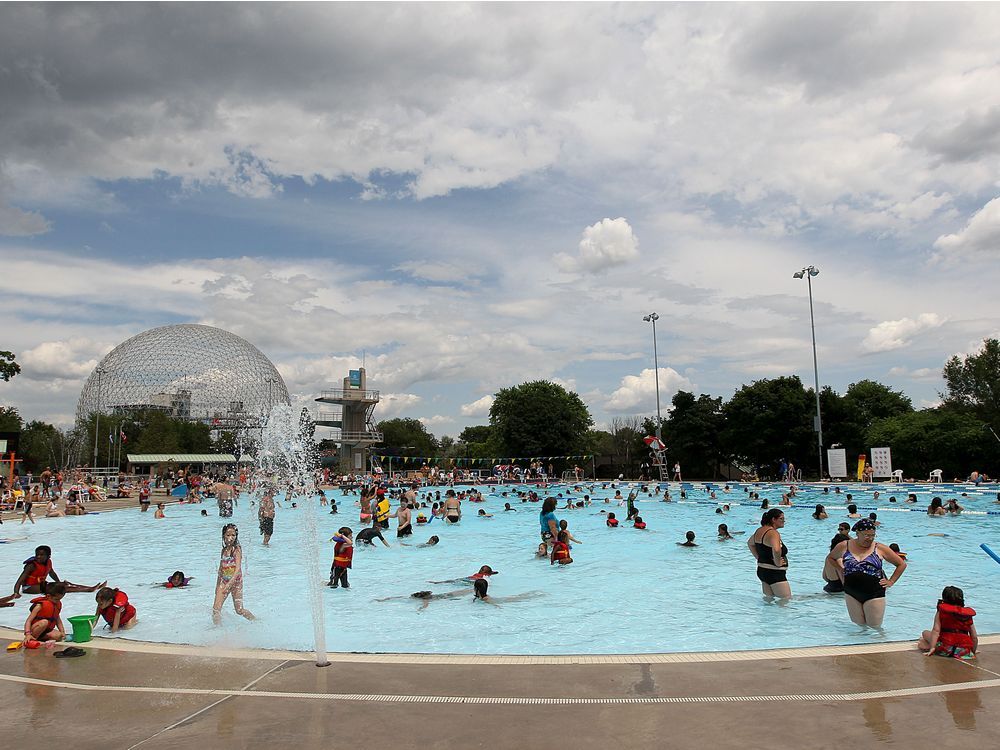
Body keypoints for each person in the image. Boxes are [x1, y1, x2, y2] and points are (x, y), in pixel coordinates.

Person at [826, 519, 906, 627]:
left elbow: (901, 564)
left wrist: (891, 581)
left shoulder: (880, 548)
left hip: (874, 593)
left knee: (875, 628)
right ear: (857, 533)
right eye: (867, 535)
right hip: (851, 592)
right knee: (859, 627)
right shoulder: (844, 546)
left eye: (873, 535)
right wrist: (840, 569)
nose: (870, 538)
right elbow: (830, 558)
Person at [12, 545, 105, 598]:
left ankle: (92, 587)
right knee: (59, 589)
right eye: (37, 555)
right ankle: (88, 590)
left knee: (65, 584)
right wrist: (16, 593)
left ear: (48, 556)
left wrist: (59, 582)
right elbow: (20, 580)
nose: (38, 557)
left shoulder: (48, 562)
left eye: (41, 555)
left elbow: (51, 573)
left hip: (41, 585)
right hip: (29, 588)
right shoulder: (31, 565)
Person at [918, 586, 977, 659]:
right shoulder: (967, 615)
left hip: (946, 649)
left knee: (925, 633)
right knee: (925, 641)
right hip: (963, 651)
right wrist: (972, 651)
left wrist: (932, 648)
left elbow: (936, 631)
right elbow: (974, 637)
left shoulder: (942, 611)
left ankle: (928, 646)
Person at [212, 524, 255, 624]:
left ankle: (256, 621)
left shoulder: (237, 549)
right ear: (223, 535)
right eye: (228, 535)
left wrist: (230, 584)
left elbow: (237, 569)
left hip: (236, 583)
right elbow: (220, 569)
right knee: (216, 610)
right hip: (223, 581)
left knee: (239, 610)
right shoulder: (223, 550)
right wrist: (218, 585)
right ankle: (217, 631)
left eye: (233, 535)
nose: (230, 538)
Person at [748, 509, 790, 599]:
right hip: (774, 573)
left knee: (768, 601)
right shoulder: (773, 533)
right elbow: (776, 549)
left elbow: (750, 543)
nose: (784, 521)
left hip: (762, 571)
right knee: (785, 602)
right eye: (781, 519)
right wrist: (777, 562)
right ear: (773, 519)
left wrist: (759, 558)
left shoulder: (760, 530)